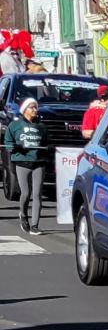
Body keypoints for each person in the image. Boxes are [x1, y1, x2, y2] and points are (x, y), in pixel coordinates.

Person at [4, 98, 47, 235]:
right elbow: (8, 140)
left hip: (39, 163)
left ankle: (35, 225)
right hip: (22, 163)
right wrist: (13, 147)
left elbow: (47, 141)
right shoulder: (15, 125)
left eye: (35, 107)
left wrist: (49, 148)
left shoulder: (41, 126)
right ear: (24, 110)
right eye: (31, 107)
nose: (35, 110)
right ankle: (23, 214)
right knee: (26, 193)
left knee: (37, 194)